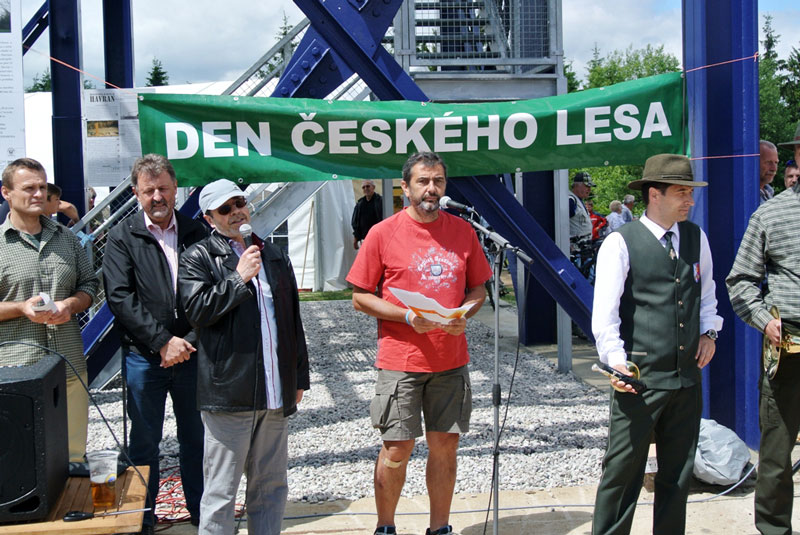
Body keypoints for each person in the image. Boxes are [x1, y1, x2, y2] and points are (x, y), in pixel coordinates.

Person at [346, 152, 492, 535]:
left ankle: (439, 528)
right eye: (423, 181)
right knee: (397, 447)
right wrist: (407, 317)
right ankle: (385, 527)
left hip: (451, 361)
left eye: (438, 181)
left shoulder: (463, 231)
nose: (432, 188)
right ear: (406, 187)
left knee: (445, 446)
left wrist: (463, 314)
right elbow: (360, 297)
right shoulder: (383, 233)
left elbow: (478, 289)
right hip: (401, 361)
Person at [591, 154, 723, 535]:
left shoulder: (696, 238)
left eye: (690, 193)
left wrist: (709, 333)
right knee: (621, 475)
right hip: (639, 381)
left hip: (686, 381)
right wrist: (617, 362)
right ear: (654, 194)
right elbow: (605, 314)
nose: (690, 201)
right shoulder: (620, 242)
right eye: (681, 192)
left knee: (677, 477)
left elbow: (708, 296)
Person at [178, 178, 309, 535]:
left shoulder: (273, 254)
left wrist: (299, 377)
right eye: (225, 209)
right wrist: (238, 278)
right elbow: (197, 311)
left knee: (270, 487)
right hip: (229, 396)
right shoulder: (197, 258)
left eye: (239, 203)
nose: (236, 212)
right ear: (209, 219)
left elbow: (291, 320)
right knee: (221, 492)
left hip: (274, 393)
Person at [102, 154, 208, 531]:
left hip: (192, 355)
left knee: (196, 439)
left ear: (176, 188)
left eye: (163, 188)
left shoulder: (197, 232)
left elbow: (211, 292)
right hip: (144, 358)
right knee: (144, 442)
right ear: (136, 193)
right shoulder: (122, 236)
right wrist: (163, 342)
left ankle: (203, 516)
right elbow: (119, 297)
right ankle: (142, 521)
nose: (157, 197)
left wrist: (187, 341)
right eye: (149, 191)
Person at [0, 158, 99, 462]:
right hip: (16, 369)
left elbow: (89, 285)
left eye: (42, 187)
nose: (38, 194)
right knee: (21, 461)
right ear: (6, 193)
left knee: (72, 456)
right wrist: (21, 308)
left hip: (68, 365)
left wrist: (71, 304)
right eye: (29, 188)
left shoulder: (66, 239)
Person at [726, 170, 800, 535]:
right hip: (788, 343)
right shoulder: (770, 213)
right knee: (777, 447)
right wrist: (763, 320)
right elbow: (740, 280)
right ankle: (773, 529)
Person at [351, 179, 383, 249]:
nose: (365, 189)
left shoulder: (381, 201)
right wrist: (356, 238)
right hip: (364, 239)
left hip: (378, 238)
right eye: (363, 187)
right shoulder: (360, 204)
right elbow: (355, 222)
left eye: (368, 186)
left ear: (373, 187)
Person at [568, 171, 595, 249]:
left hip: (583, 247)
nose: (589, 189)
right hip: (575, 249)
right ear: (576, 185)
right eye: (587, 186)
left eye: (590, 187)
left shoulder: (578, 200)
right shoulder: (570, 200)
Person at [760, 140, 779, 204]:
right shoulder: (745, 195)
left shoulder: (769, 192)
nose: (774, 168)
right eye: (768, 162)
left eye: (776, 163)